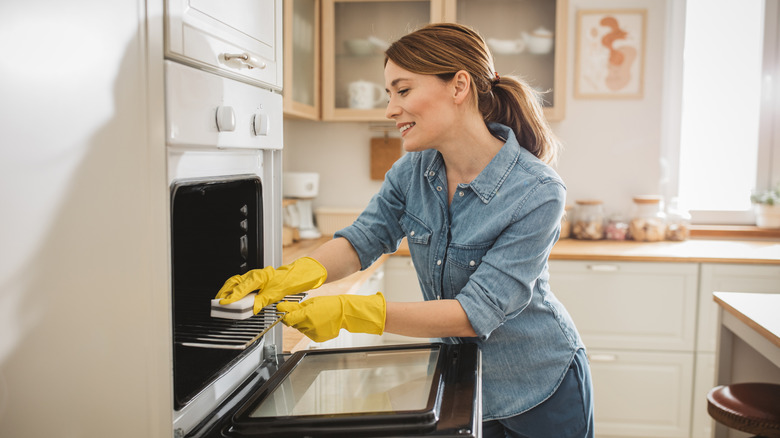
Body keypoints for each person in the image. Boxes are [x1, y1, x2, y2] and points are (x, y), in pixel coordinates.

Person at [216, 22, 594, 438]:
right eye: (389, 94)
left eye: (403, 90)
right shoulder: (412, 172)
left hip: (539, 386)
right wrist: (289, 276)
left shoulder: (536, 191)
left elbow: (475, 314)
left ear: (459, 86)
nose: (391, 109)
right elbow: (362, 240)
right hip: (463, 377)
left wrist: (350, 312)